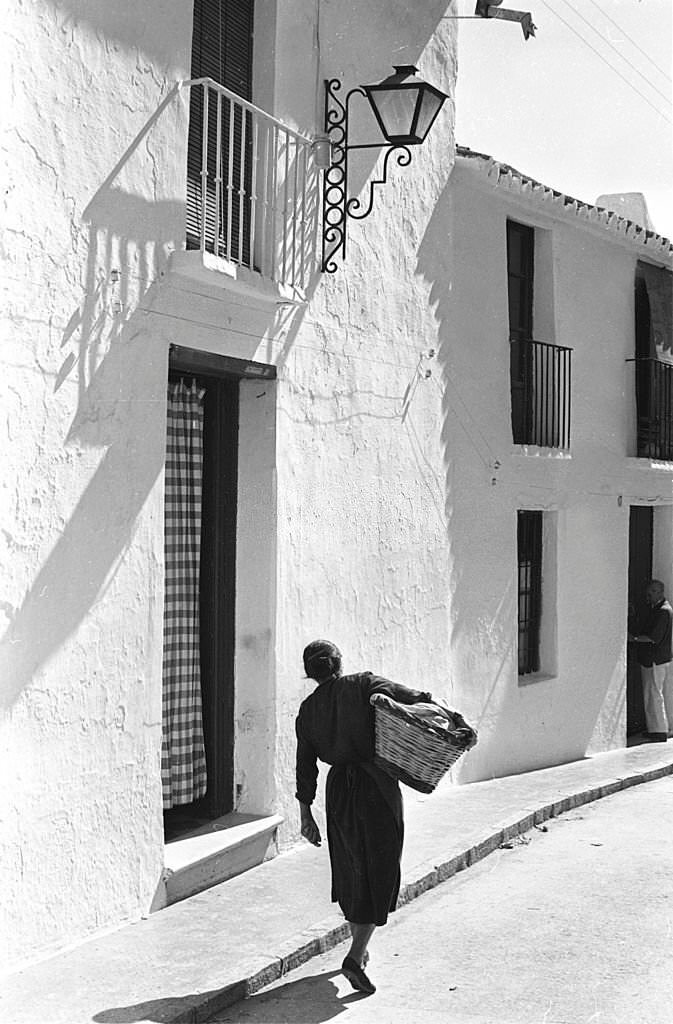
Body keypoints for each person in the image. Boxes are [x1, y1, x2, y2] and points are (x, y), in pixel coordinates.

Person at [295, 639, 434, 995]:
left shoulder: (308, 711)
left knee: (353, 867)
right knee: (380, 867)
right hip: (377, 785)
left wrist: (306, 813)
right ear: (339, 663)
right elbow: (411, 697)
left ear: (311, 674)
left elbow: (305, 767)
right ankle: (355, 955)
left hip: (338, 790)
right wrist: (437, 708)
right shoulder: (362, 684)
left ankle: (361, 949)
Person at [630, 580, 673, 742]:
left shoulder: (663, 611)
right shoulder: (657, 610)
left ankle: (660, 731)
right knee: (651, 693)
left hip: (655, 659)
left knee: (654, 693)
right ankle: (654, 728)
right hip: (653, 659)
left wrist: (633, 638)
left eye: (652, 592)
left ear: (660, 592)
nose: (649, 595)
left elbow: (654, 638)